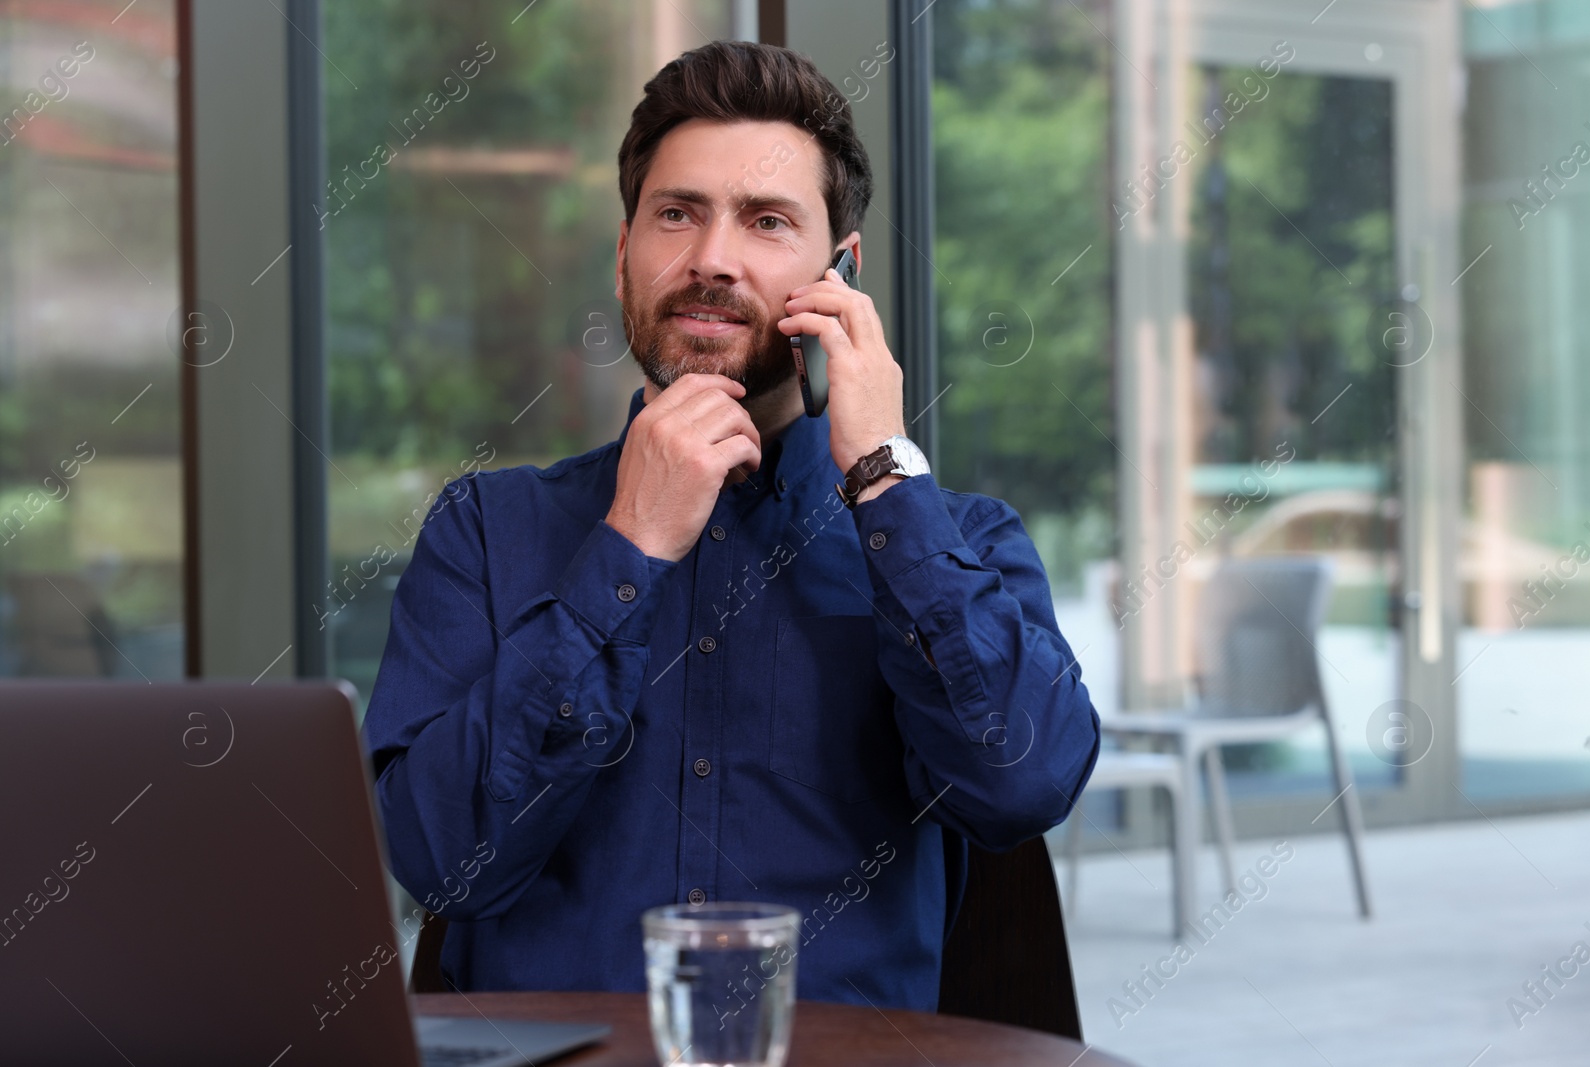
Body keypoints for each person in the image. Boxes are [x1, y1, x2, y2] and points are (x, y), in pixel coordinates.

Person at [362, 39, 1099, 1014]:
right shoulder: (487, 532)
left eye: (764, 221)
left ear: (837, 272)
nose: (712, 258)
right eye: (677, 213)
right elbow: (441, 864)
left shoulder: (962, 538)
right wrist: (625, 549)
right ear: (626, 253)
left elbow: (1022, 785)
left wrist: (882, 475)